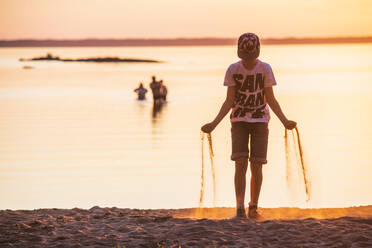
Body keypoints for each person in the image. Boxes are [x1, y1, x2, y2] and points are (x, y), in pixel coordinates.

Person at [201, 33, 296, 219]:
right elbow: (229, 101)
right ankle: (239, 207)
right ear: (240, 54)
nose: (249, 61)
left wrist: (285, 121)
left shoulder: (265, 69)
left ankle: (253, 206)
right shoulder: (233, 70)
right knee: (240, 163)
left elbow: (271, 99)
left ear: (257, 52)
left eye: (251, 56)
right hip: (239, 121)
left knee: (257, 165)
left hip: (261, 121)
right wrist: (213, 124)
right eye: (246, 57)